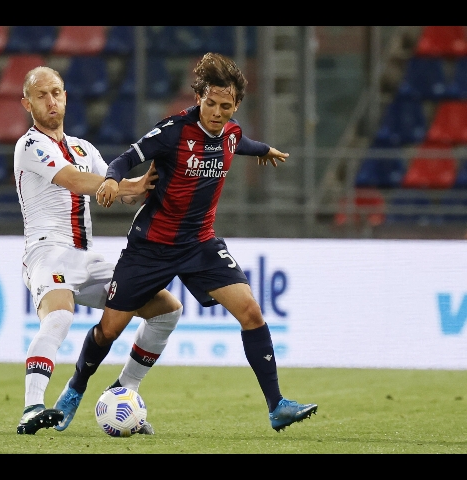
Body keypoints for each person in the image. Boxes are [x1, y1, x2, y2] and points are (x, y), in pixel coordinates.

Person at [54, 52, 318, 433]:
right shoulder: (173, 132)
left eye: (225, 106)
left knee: (251, 313)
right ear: (199, 98)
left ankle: (277, 406)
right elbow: (125, 159)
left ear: (236, 106)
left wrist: (264, 150)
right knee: (109, 330)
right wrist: (111, 180)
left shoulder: (231, 133)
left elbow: (241, 142)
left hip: (200, 245)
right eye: (210, 103)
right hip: (151, 246)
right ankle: (75, 389)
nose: (217, 113)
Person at [14, 66, 183, 435]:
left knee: (167, 310)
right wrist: (127, 185)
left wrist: (151, 183)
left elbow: (115, 189)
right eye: (41, 95)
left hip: (86, 258)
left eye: (56, 92)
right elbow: (75, 180)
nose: (51, 101)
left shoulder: (83, 148)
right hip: (47, 253)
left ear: (65, 97)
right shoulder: (29, 146)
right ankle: (31, 408)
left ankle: (125, 390)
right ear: (27, 104)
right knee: (60, 317)